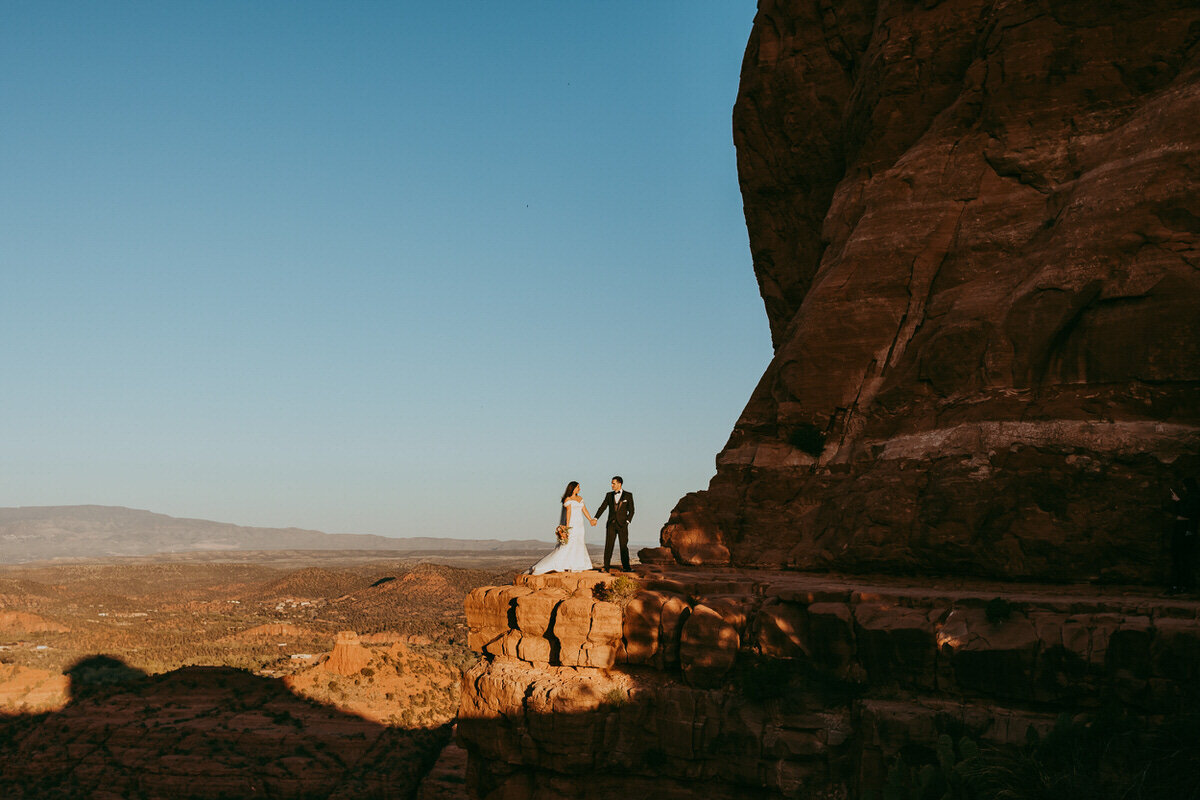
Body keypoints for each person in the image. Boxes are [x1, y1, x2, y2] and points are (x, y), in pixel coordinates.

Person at [528, 481, 597, 575]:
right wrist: (567, 527)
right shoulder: (567, 499)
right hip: (572, 524)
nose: (579, 489)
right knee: (568, 545)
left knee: (579, 542)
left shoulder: (580, 498)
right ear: (572, 488)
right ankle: (550, 565)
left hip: (580, 525)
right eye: (578, 487)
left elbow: (584, 510)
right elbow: (568, 513)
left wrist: (590, 520)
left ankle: (576, 565)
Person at [594, 476, 634, 572]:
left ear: (619, 484)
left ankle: (626, 567)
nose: (611, 485)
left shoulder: (628, 495)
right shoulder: (609, 495)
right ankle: (606, 567)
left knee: (623, 546)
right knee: (608, 545)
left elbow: (632, 510)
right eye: (611, 483)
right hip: (611, 524)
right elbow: (602, 507)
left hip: (622, 525)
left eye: (613, 483)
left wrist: (627, 521)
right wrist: (595, 518)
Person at [1167, 476, 1199, 594]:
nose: (1183, 488)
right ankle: (1179, 584)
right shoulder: (1191, 497)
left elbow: (1187, 512)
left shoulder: (1194, 498)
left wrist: (1178, 501)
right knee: (1178, 556)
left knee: (1183, 557)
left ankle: (1182, 584)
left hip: (1184, 529)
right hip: (1182, 528)